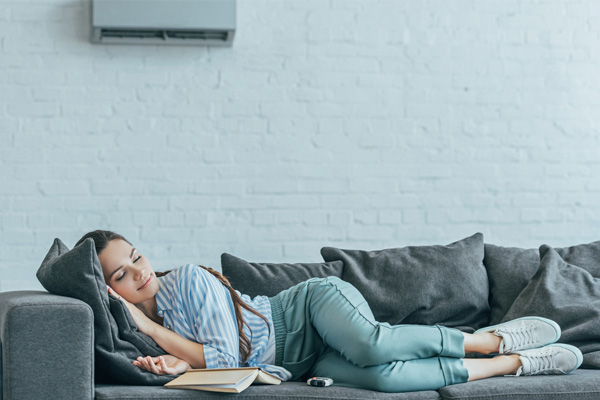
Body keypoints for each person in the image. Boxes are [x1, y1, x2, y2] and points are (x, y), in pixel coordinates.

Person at [75, 230, 583, 393]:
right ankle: (513, 364)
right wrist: (178, 362)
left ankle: (492, 339)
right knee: (383, 380)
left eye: (135, 256)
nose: (139, 271)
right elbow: (214, 366)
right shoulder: (152, 328)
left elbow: (225, 356)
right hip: (301, 361)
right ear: (110, 290)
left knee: (372, 344)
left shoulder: (184, 278)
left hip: (309, 309)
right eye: (120, 274)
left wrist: (146, 327)